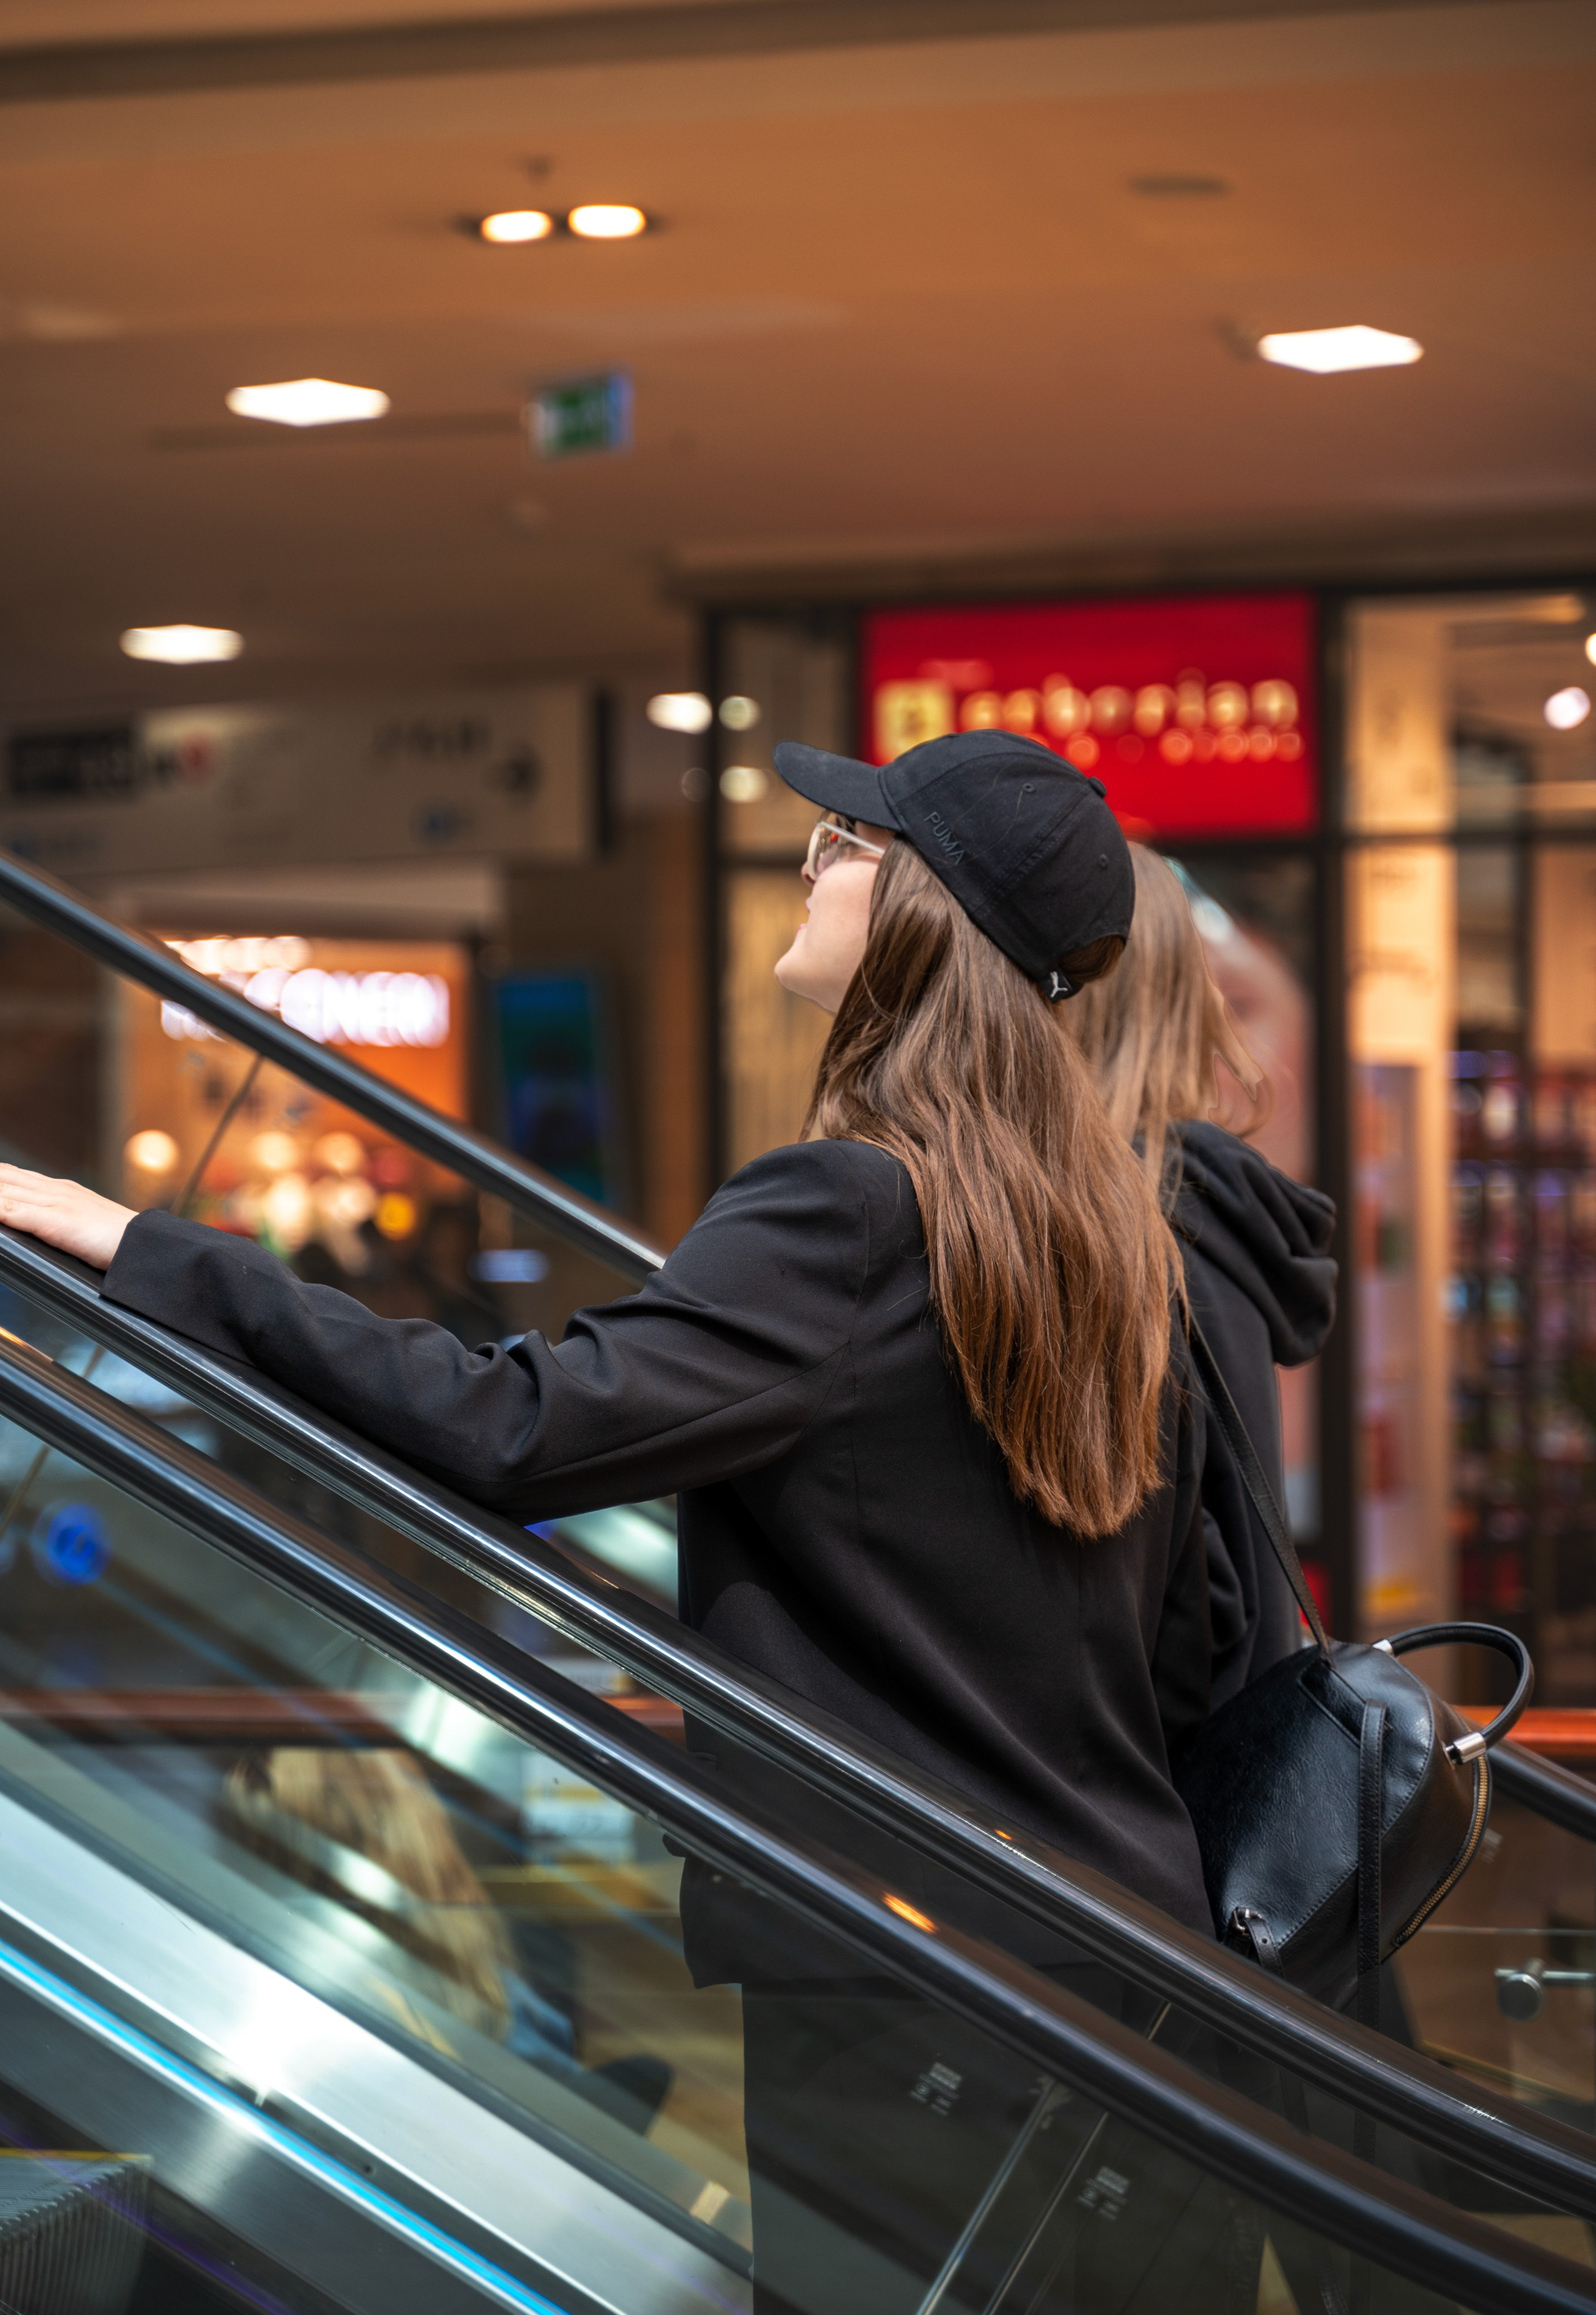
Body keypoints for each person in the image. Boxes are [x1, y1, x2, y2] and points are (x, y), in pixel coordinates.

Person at [0, 729, 1231, 2311]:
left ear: (927, 909)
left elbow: (510, 1426)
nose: (808, 858)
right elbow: (1186, 1634)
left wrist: (140, 1250)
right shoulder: (1109, 1234)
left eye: (846, 842)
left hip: (900, 1963)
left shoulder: (848, 1209)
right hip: (1108, 1946)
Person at [1062, 842, 1337, 1703]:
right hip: (1216, 1751)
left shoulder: (1138, 1228)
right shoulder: (1207, 1208)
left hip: (1158, 1774)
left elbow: (1173, 1573)